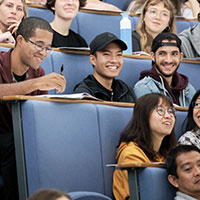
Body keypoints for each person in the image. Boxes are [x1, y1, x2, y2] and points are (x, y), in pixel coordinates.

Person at [0, 17, 66, 200]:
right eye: (39, 45)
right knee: (17, 143)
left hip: (19, 141)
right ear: (20, 41)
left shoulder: (38, 73)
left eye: (48, 48)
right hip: (6, 140)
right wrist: (36, 83)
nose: (44, 53)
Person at [112, 93, 177, 200]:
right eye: (160, 110)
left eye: (171, 111)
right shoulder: (131, 154)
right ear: (144, 116)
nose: (168, 116)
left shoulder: (165, 153)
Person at [133, 32, 196, 107]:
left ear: (181, 57)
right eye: (162, 53)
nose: (168, 60)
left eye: (174, 54)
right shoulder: (144, 88)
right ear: (153, 56)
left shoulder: (188, 88)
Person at [73, 32, 135, 102]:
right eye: (106, 54)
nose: (114, 60)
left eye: (119, 54)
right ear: (93, 59)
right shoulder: (85, 93)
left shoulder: (126, 90)